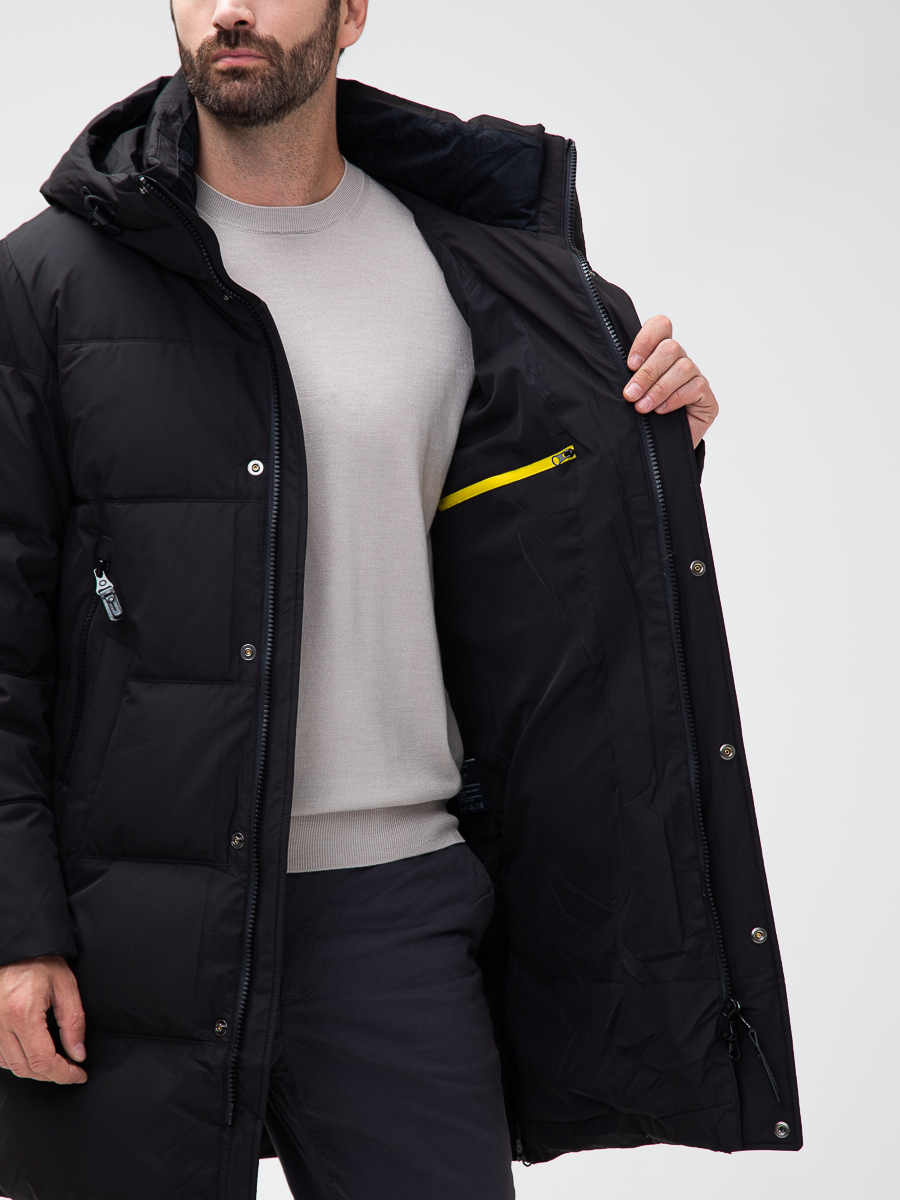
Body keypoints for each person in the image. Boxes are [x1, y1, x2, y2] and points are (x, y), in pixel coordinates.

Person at [0, 2, 801, 1198]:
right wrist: (16, 930)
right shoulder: (52, 279)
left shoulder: (471, 267)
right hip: (131, 924)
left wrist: (651, 453)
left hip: (395, 912)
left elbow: (544, 569)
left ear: (352, 12)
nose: (230, 9)